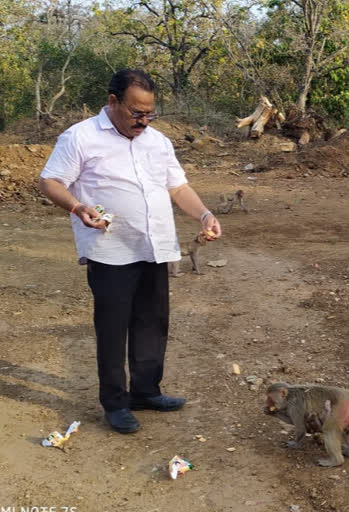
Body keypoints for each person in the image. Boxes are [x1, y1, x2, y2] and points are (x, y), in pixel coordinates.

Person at [38, 69, 221, 434]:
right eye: (136, 112)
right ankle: (115, 403)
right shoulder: (81, 137)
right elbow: (50, 180)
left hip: (153, 246)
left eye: (150, 113)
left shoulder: (157, 141)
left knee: (152, 323)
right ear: (112, 102)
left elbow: (177, 186)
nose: (144, 120)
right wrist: (77, 208)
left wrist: (203, 213)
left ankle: (146, 391)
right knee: (112, 329)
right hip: (110, 251)